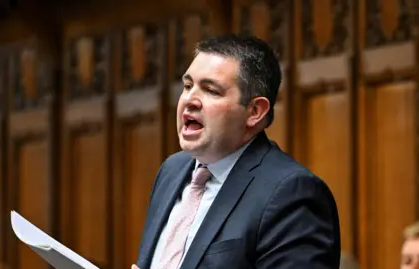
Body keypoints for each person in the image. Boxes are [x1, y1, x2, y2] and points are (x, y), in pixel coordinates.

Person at [133, 34, 341, 269]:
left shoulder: (291, 194)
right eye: (188, 86)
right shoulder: (171, 171)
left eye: (211, 90)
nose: (189, 100)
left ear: (255, 111)